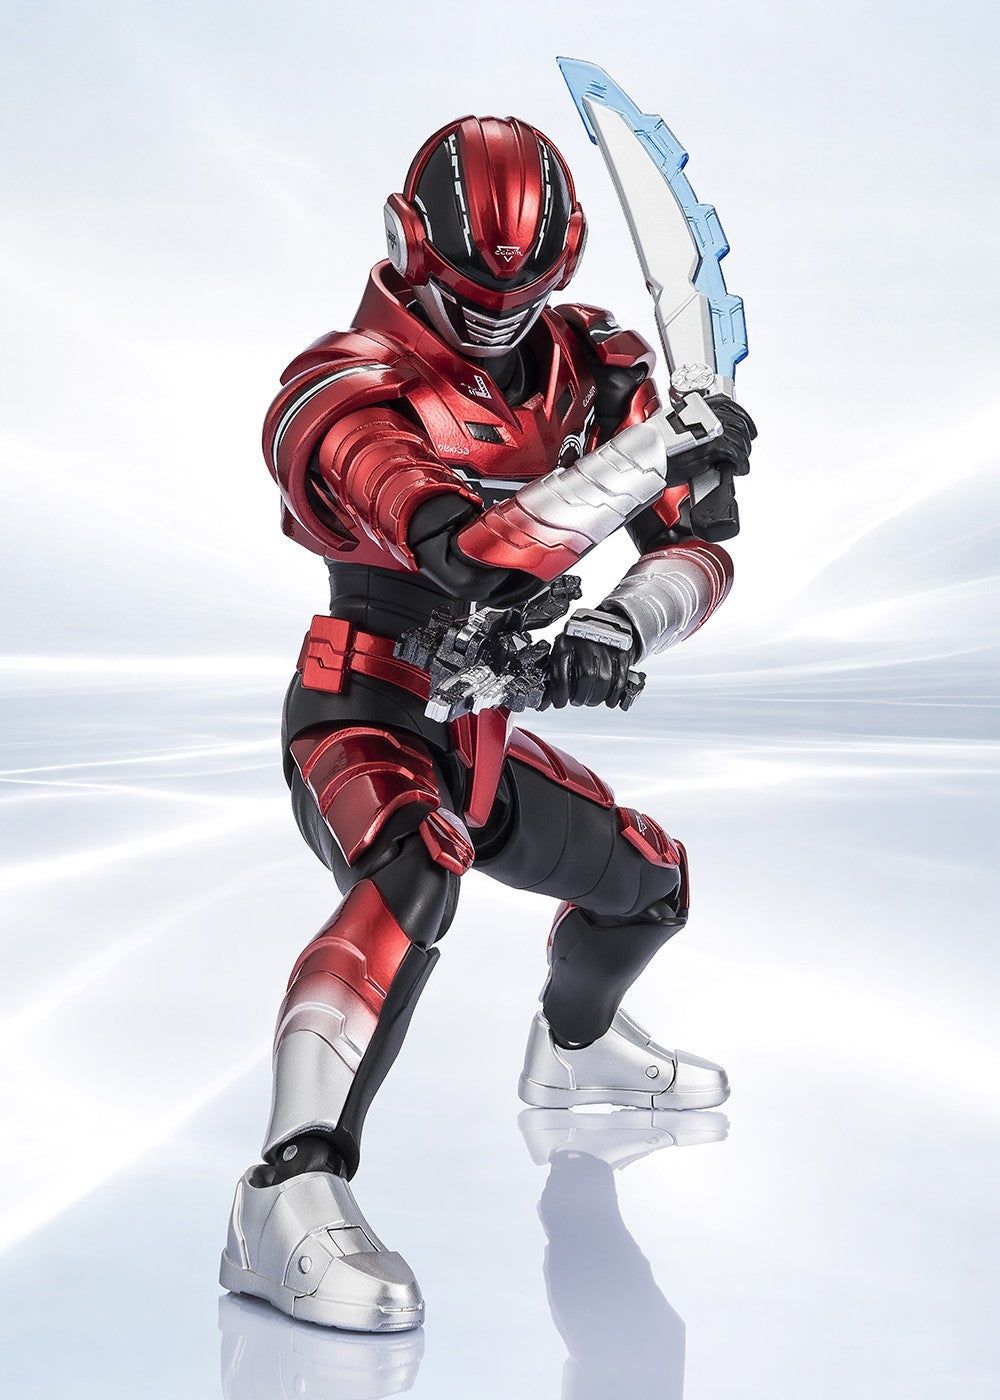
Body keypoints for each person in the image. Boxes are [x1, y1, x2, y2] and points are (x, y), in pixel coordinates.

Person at [220, 114, 755, 1332]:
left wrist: (621, 625)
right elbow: (463, 553)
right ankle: (284, 1191)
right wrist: (653, 447)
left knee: (648, 881)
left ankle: (574, 1050)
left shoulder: (593, 364)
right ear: (412, 248)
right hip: (364, 709)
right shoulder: (340, 390)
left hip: (483, 726)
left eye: (525, 292)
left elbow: (697, 547)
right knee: (416, 867)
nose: (500, 318)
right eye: (472, 295)